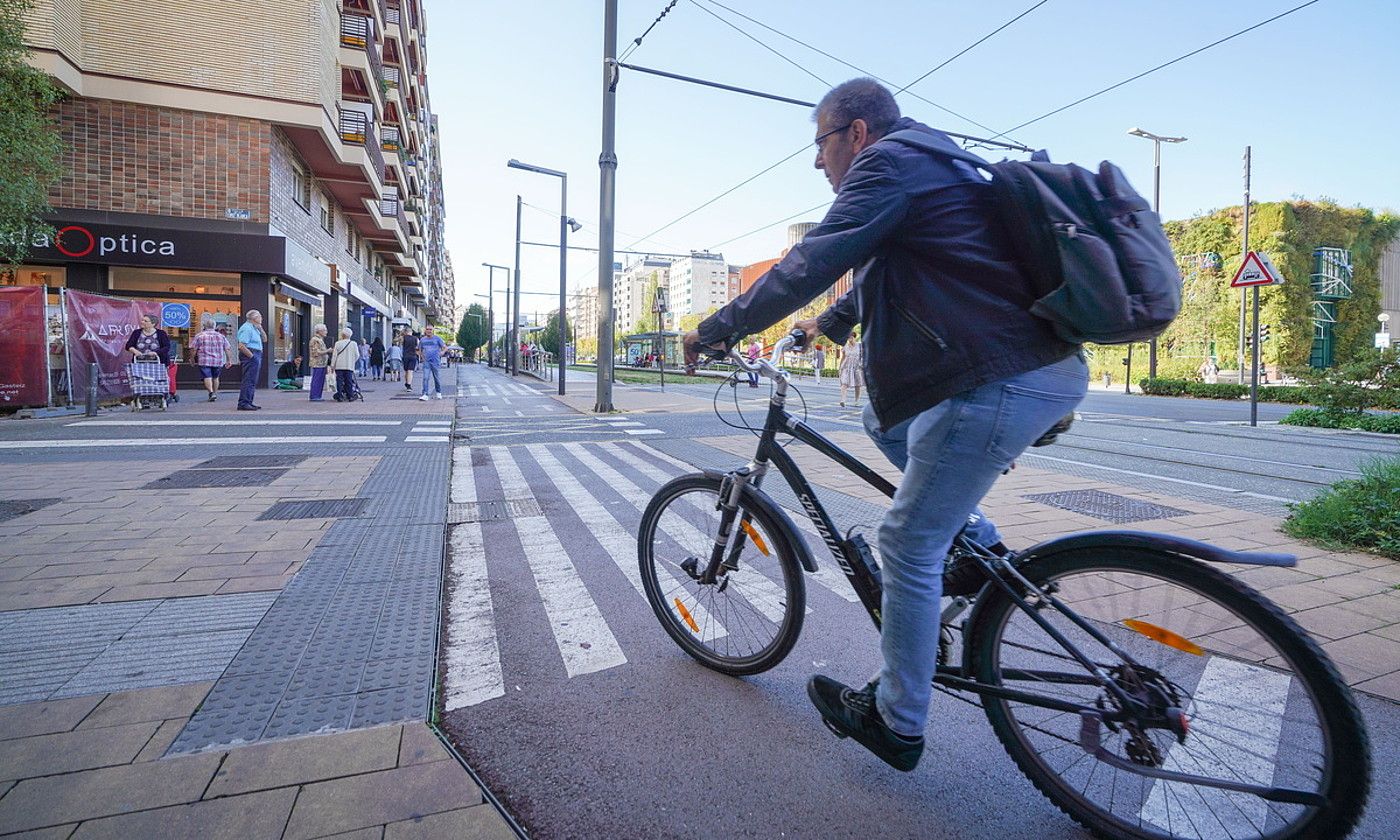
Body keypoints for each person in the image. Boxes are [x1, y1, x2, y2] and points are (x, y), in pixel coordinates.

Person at [683, 78, 1087, 772]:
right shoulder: (933, 162)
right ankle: (977, 550)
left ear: (857, 132)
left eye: (820, 143)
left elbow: (815, 259)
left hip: (994, 376)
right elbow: (896, 263)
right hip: (1033, 367)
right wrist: (832, 324)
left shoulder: (888, 165)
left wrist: (717, 328)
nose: (818, 161)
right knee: (883, 417)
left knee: (905, 544)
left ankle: (896, 719)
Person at [189, 316, 231, 402]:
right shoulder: (221, 336)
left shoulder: (199, 336)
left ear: (204, 326)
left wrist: (192, 358)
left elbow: (193, 348)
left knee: (207, 376)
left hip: (204, 360)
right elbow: (227, 348)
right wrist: (228, 360)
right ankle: (214, 393)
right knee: (216, 377)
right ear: (215, 326)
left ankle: (211, 392)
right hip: (218, 360)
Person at [236, 310, 265, 411]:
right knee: (248, 380)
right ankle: (243, 403)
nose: (261, 318)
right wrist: (252, 357)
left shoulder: (255, 328)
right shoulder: (247, 328)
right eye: (259, 316)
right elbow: (241, 345)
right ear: (254, 318)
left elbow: (265, 339)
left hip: (256, 353)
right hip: (251, 354)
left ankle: (249, 401)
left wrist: (261, 329)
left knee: (252, 380)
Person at [417, 324, 447, 400]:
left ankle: (438, 392)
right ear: (425, 330)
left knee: (436, 378)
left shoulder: (437, 339)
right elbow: (418, 350)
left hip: (435, 362)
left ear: (433, 330)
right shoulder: (422, 340)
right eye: (427, 329)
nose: (429, 331)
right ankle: (425, 394)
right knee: (425, 378)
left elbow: (445, 347)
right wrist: (422, 357)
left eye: (430, 329)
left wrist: (442, 353)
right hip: (426, 362)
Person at [331, 328, 360, 401]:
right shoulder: (353, 344)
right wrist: (352, 361)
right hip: (349, 366)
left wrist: (332, 365)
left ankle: (340, 395)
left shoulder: (338, 343)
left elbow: (334, 355)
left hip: (339, 366)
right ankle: (350, 396)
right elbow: (357, 355)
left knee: (339, 381)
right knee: (349, 381)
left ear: (342, 335)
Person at [839, 334, 863, 407]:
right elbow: (843, 357)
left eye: (851, 337)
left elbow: (863, 355)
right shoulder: (845, 346)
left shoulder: (859, 346)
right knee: (844, 383)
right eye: (848, 337)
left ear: (854, 337)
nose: (850, 339)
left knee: (858, 384)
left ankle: (857, 400)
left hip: (857, 367)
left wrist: (862, 365)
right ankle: (843, 400)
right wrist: (840, 367)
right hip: (846, 367)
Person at [308, 324, 330, 401]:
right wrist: (328, 351)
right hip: (318, 363)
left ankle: (318, 395)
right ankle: (314, 396)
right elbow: (316, 352)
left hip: (322, 363)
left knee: (320, 380)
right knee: (317, 379)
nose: (326, 332)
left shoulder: (319, 340)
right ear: (320, 331)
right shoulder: (315, 340)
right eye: (325, 330)